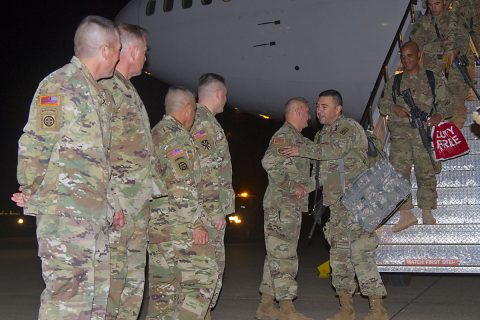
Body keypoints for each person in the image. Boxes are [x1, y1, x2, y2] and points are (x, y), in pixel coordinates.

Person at [11, 15, 121, 320]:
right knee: (67, 303)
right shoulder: (60, 85)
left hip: (93, 217)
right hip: (65, 218)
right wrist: (34, 192)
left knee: (96, 304)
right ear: (105, 50)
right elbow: (35, 143)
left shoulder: (95, 92)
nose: (119, 56)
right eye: (118, 49)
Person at [281, 90, 388, 320]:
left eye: (324, 106)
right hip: (337, 207)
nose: (319, 110)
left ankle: (377, 309)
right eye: (318, 106)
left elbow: (334, 152)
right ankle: (346, 308)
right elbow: (321, 173)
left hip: (358, 203)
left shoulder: (348, 128)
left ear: (338, 109)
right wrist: (305, 187)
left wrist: (302, 149)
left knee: (360, 253)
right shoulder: (321, 136)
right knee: (339, 258)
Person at [101, 23, 157, 320]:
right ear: (133, 50)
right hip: (119, 207)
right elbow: (98, 149)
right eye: (145, 51)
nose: (146, 58)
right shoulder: (107, 89)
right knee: (113, 282)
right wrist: (112, 201)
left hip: (136, 207)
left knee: (132, 283)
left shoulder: (128, 91)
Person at [148, 87, 218, 320]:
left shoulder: (155, 133)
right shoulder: (178, 138)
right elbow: (181, 185)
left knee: (163, 291)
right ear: (188, 109)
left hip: (157, 225)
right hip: (180, 223)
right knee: (203, 280)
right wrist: (195, 223)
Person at [379, 41, 451, 232]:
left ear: (419, 55)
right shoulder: (394, 82)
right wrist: (395, 108)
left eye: (410, 55)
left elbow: (446, 104)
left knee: (426, 173)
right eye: (403, 56)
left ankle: (427, 212)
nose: (405, 60)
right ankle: (406, 214)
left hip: (423, 134)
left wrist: (438, 116)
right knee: (398, 175)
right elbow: (383, 105)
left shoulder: (431, 78)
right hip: (400, 137)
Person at [255, 98, 314, 320]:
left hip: (288, 206)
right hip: (281, 206)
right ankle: (287, 309)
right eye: (307, 112)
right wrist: (292, 187)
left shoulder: (296, 139)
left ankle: (266, 305)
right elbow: (269, 161)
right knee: (285, 256)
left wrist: (303, 187)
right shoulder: (284, 136)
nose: (309, 116)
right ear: (298, 111)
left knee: (276, 256)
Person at [190, 73, 235, 319]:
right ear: (218, 94)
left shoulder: (201, 121)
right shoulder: (203, 124)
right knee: (208, 270)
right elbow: (206, 168)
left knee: (206, 271)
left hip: (204, 209)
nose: (226, 101)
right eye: (225, 96)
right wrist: (216, 209)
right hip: (207, 212)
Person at [409, 0, 469, 128]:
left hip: (454, 68)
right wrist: (439, 46)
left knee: (457, 101)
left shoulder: (455, 19)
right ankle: (439, 136)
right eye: (430, 5)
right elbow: (415, 46)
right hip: (433, 69)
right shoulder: (423, 23)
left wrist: (455, 50)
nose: (433, 8)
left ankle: (455, 135)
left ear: (444, 2)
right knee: (435, 104)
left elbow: (463, 40)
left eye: (437, 4)